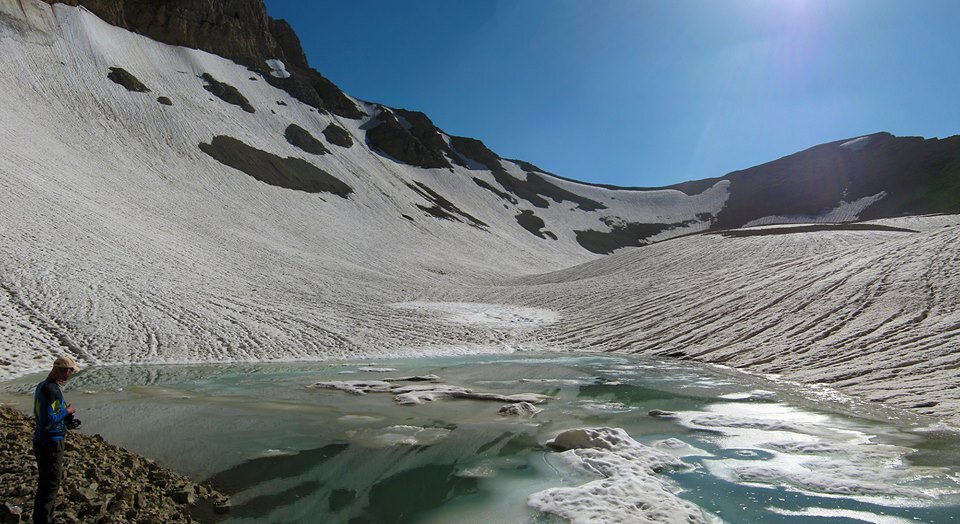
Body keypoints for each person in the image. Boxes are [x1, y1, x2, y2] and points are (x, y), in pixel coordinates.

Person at [32, 355, 80, 524]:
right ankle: (43, 520)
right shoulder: (51, 389)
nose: (71, 374)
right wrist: (67, 412)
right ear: (61, 370)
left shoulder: (44, 386)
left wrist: (64, 414)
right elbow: (47, 420)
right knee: (51, 484)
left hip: (46, 440)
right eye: (70, 371)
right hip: (50, 442)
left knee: (48, 482)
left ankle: (46, 518)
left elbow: (48, 412)